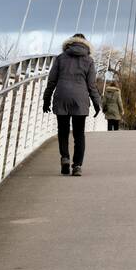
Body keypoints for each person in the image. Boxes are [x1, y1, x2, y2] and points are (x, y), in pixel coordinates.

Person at [42, 33, 101, 177]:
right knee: (79, 133)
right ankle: (77, 166)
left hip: (61, 97)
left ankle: (65, 158)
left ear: (70, 43)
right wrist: (96, 102)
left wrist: (46, 99)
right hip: (80, 99)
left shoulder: (61, 58)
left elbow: (51, 81)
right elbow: (91, 85)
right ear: (85, 44)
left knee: (63, 131)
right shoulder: (89, 60)